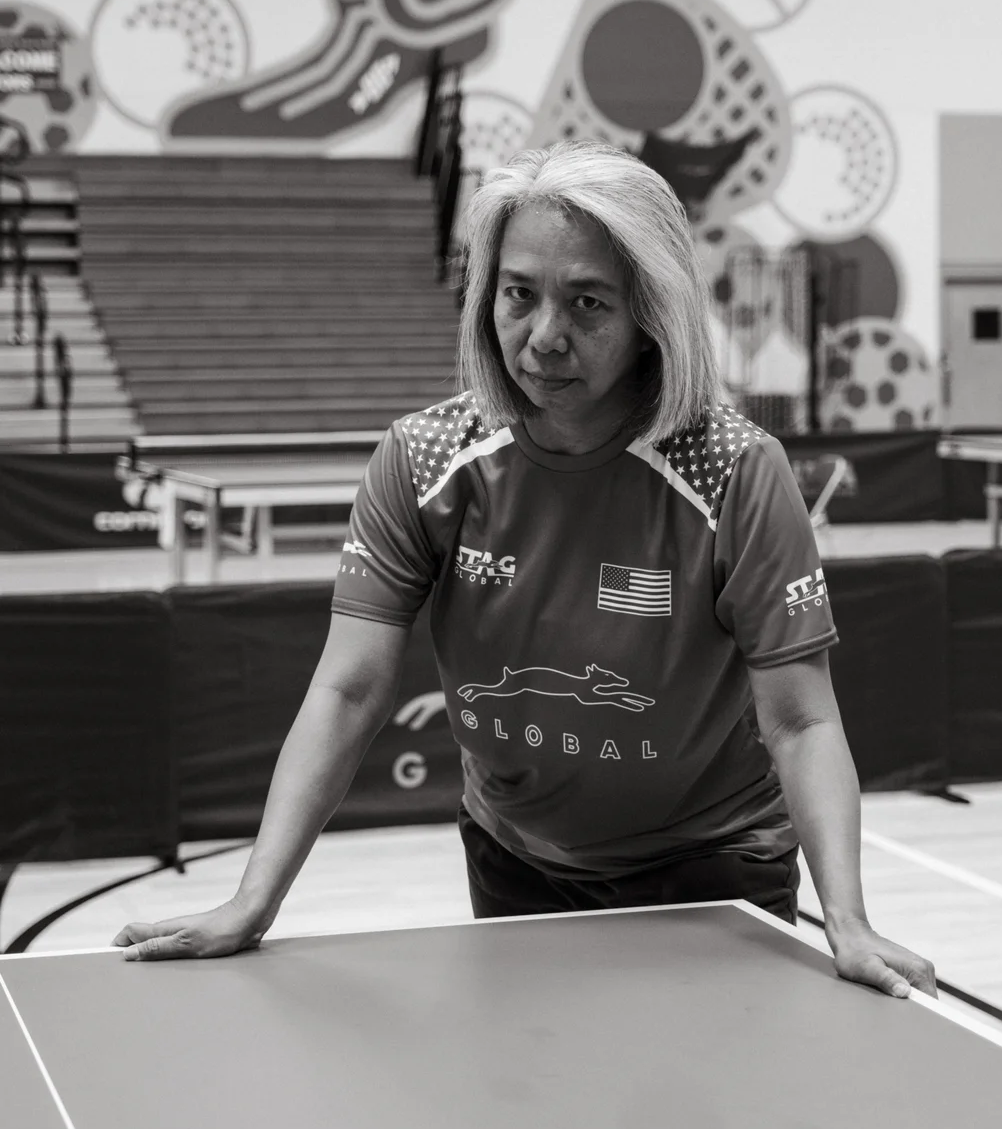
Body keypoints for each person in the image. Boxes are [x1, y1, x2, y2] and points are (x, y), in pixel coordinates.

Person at [114, 139, 936, 1002]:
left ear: (651, 312)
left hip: (711, 871)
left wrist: (846, 918)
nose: (544, 337)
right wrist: (254, 900)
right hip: (513, 860)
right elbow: (348, 690)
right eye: (518, 295)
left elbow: (801, 722)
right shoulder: (425, 456)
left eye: (587, 303)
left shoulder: (731, 469)